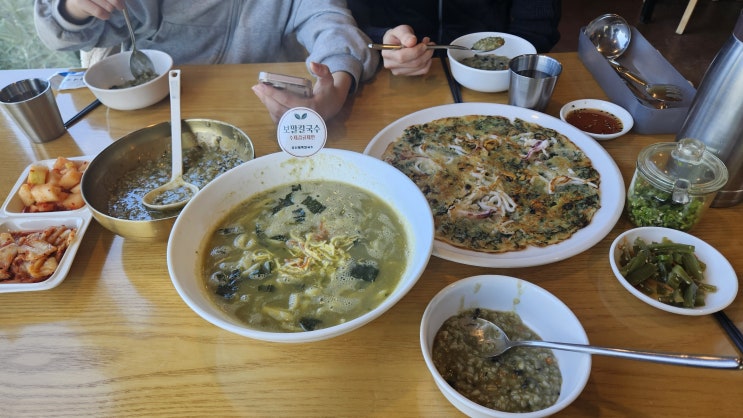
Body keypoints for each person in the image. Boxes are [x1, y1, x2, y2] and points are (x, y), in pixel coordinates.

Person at [34, 0, 379, 122]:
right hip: (153, 116)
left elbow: (330, 21)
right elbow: (60, 34)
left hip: (262, 117)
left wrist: (337, 87)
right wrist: (73, 8)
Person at [348, 0, 561, 76]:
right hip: (389, 77)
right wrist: (384, 39)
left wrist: (511, 61)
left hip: (503, 79)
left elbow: (538, 27)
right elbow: (349, 20)